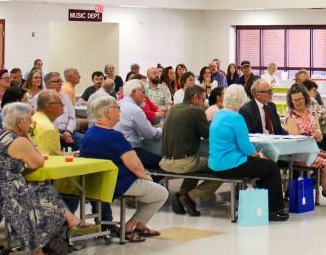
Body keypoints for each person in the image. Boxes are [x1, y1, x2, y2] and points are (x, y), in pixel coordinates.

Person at [0, 102, 87, 255]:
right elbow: (38, 162)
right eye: (29, 119)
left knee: (40, 187)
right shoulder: (18, 141)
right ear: (19, 122)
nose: (32, 122)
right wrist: (28, 137)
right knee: (38, 195)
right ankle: (38, 252)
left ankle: (70, 219)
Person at [81, 96, 169, 242]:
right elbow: (134, 165)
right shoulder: (114, 136)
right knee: (161, 193)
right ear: (108, 112)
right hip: (118, 183)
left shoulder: (90, 133)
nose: (120, 111)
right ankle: (129, 227)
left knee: (148, 188)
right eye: (118, 108)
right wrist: (146, 176)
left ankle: (141, 226)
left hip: (96, 182)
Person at [208, 86, 289, 221]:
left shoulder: (218, 115)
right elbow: (246, 147)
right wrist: (257, 154)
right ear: (241, 100)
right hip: (231, 164)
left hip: (215, 163)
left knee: (263, 167)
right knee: (272, 167)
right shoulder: (236, 118)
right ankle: (274, 210)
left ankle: (265, 206)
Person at [160, 85, 221, 217]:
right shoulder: (195, 111)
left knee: (196, 161)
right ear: (194, 98)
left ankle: (181, 195)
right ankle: (190, 196)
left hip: (165, 161)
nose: (204, 103)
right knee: (221, 167)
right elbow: (207, 134)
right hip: (183, 162)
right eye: (203, 99)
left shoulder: (174, 108)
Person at [285, 84, 326, 206]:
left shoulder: (312, 113)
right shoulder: (290, 116)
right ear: (291, 101)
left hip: (314, 150)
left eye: (300, 99)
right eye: (295, 100)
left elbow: (320, 137)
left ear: (305, 98)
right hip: (300, 153)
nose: (298, 102)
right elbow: (295, 139)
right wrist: (310, 136)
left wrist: (318, 136)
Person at [117, 79, 162, 168]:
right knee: (163, 163)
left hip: (116, 151)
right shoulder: (135, 109)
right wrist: (161, 129)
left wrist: (154, 127)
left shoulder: (117, 104)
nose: (145, 96)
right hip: (131, 151)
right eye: (143, 92)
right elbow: (151, 134)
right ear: (134, 92)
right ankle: (151, 181)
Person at [42, 71, 82, 150]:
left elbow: (72, 117)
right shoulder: (40, 98)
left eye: (61, 81)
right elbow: (43, 121)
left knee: (83, 141)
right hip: (51, 133)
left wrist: (68, 131)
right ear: (47, 84)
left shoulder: (65, 98)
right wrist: (61, 135)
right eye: (57, 81)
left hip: (68, 131)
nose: (60, 83)